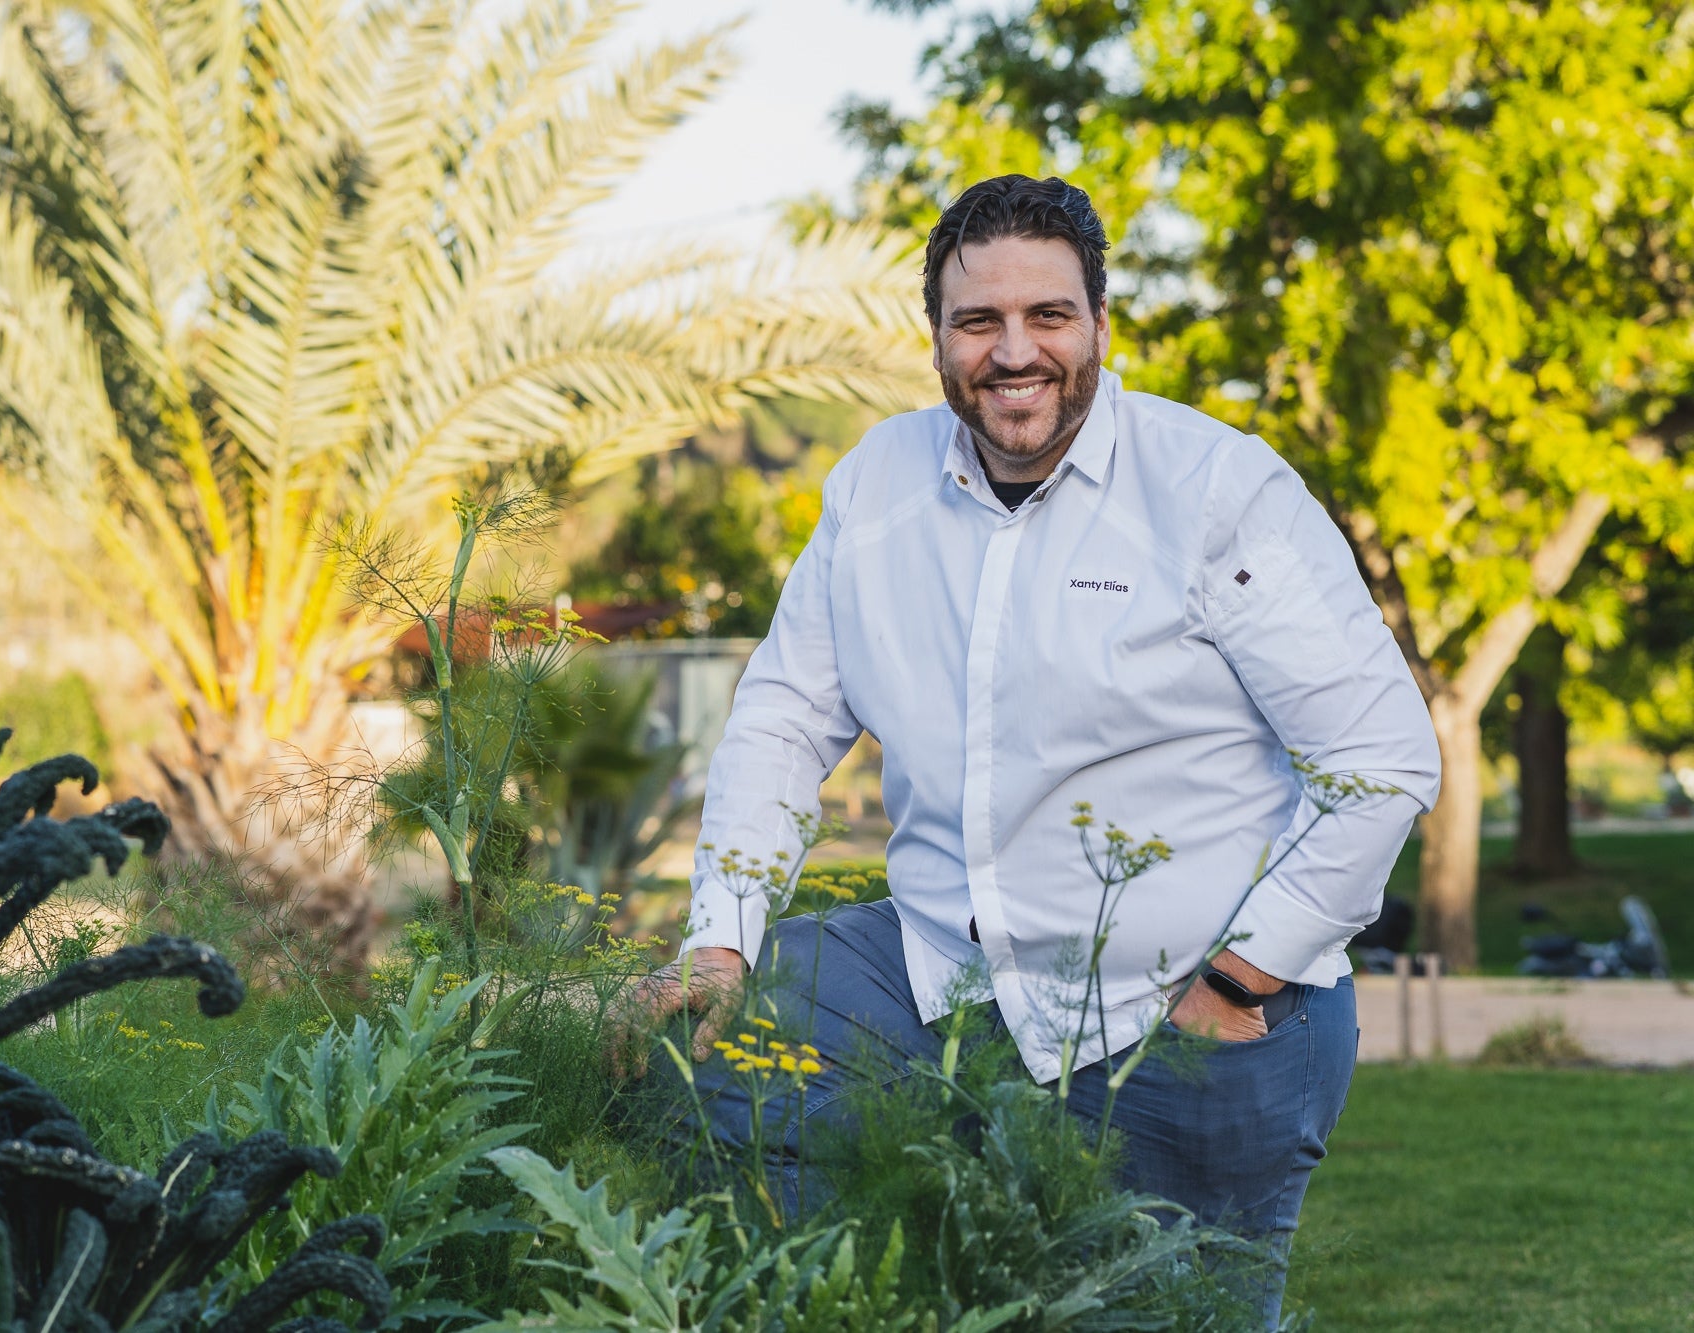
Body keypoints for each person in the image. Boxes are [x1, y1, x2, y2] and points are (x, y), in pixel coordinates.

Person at [608, 174, 1442, 1326]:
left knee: (1174, 1313)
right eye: (977, 321)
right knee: (713, 1059)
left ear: (1100, 324)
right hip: (935, 978)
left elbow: (1381, 758)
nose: (1014, 352)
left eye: (1047, 315)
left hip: (1192, 1009)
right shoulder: (874, 488)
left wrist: (1234, 981)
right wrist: (717, 942)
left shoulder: (1214, 490)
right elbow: (784, 718)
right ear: (937, 338)